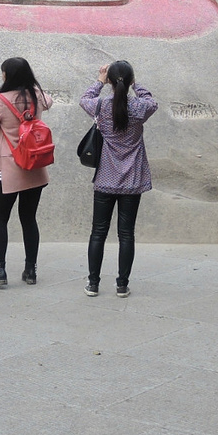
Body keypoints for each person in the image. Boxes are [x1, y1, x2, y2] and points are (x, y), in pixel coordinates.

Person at [80, 61, 157, 298]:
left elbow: (84, 99)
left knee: (98, 232)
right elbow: (152, 101)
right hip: (132, 180)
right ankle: (122, 285)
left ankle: (93, 283)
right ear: (130, 80)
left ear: (111, 82)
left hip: (105, 178)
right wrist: (135, 83)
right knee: (126, 234)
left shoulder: (101, 105)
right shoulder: (139, 107)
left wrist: (99, 81)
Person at [0, 57, 52, 288]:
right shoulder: (36, 96)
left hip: (7, 169)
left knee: (0, 219)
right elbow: (49, 101)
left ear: (7, 75)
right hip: (34, 168)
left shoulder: (0, 100)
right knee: (29, 219)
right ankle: (31, 270)